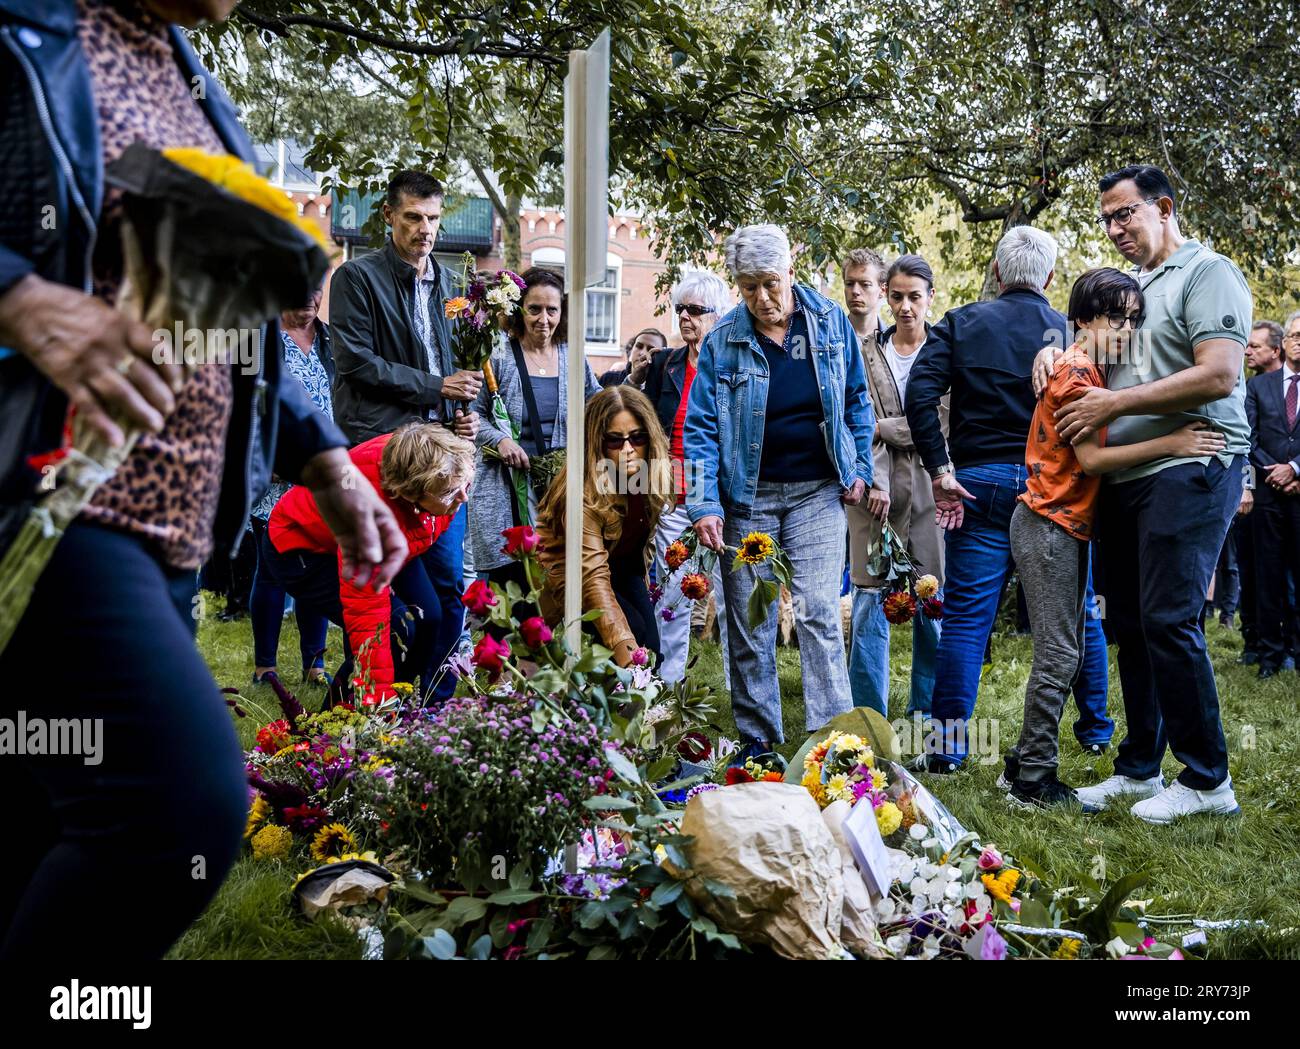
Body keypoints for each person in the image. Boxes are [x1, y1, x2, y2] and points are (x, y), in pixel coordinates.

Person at [0, 0, 406, 960]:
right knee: (177, 808)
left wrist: (327, 464)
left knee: (41, 823)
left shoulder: (193, 81)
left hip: (175, 534)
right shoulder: (26, 33)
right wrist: (19, 299)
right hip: (57, 506)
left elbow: (243, 312)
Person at [1036, 165, 1251, 823]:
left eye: (1123, 213)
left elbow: (1219, 373)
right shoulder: (1135, 286)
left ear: (1162, 207)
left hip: (1194, 460)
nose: (1113, 228)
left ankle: (1208, 778)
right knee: (1130, 624)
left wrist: (1116, 399)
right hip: (1125, 478)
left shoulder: (1206, 272)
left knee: (1169, 617)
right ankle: (1138, 767)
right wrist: (1054, 351)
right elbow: (1100, 350)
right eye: (1105, 218)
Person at [1007, 268, 1225, 809]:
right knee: (1059, 655)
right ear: (1082, 319)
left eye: (1133, 319)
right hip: (1047, 524)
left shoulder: (1081, 365)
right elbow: (1095, 459)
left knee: (1070, 650)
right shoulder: (1078, 373)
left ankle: (1019, 765)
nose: (1126, 329)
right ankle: (1032, 779)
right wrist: (1173, 440)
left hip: (1064, 525)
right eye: (1114, 318)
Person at [905, 226, 1111, 773]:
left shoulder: (960, 322)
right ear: (1048, 278)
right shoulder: (1071, 332)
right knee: (1077, 610)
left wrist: (939, 467)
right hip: (1052, 485)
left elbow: (919, 392)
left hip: (977, 484)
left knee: (969, 618)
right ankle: (1095, 728)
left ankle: (947, 750)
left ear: (997, 273)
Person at [684, 224, 875, 756]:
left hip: (817, 492)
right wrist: (703, 503)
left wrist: (859, 467)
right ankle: (759, 741)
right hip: (749, 499)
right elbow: (699, 428)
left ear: (791, 271)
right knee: (751, 619)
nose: (763, 299)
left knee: (817, 609)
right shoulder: (723, 340)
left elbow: (858, 399)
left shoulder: (832, 323)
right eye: (749, 288)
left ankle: (832, 743)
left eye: (771, 283)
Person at [329, 169, 483, 702]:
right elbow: (354, 362)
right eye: (414, 217)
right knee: (382, 603)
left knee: (446, 596)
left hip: (442, 460)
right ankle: (358, 709)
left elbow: (459, 364)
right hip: (384, 458)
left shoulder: (452, 284)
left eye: (434, 219)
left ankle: (429, 709)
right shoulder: (356, 278)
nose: (425, 229)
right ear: (389, 216)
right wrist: (434, 386)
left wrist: (462, 409)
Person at [262, 423, 474, 704]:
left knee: (429, 615)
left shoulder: (426, 458)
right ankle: (336, 722)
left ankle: (406, 704)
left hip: (393, 534)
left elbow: (435, 509)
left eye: (465, 486)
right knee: (397, 627)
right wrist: (378, 697)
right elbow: (367, 621)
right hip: (302, 548)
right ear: (411, 494)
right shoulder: (366, 517)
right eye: (450, 493)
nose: (464, 498)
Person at [846, 253, 945, 718]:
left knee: (931, 597)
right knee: (869, 597)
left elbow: (943, 424)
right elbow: (859, 420)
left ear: (930, 298)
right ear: (886, 294)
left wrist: (888, 428)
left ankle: (924, 714)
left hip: (931, 485)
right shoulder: (866, 350)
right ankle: (868, 716)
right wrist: (880, 456)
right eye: (898, 296)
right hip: (875, 490)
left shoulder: (945, 351)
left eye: (915, 297)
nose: (906, 306)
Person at [469, 268, 599, 591]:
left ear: (562, 312)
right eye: (534, 309)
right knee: (508, 585)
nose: (544, 319)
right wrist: (500, 441)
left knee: (551, 581)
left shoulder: (572, 356)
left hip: (554, 492)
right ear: (519, 310)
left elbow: (598, 404)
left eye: (552, 310)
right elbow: (473, 414)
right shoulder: (498, 353)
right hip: (505, 492)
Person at [535, 386, 673, 666]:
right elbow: (592, 578)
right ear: (596, 442)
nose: (628, 449)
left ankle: (632, 702)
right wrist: (627, 654)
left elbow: (640, 548)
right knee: (629, 645)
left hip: (624, 571)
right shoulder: (581, 493)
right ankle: (612, 702)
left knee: (652, 651)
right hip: (575, 578)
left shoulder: (651, 475)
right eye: (614, 440)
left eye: (637, 437)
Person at [641, 271, 733, 683]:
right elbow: (645, 423)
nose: (685, 317)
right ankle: (669, 680)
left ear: (718, 316)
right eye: (681, 309)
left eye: (695, 310)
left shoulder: (733, 363)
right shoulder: (666, 363)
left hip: (723, 492)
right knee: (675, 590)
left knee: (735, 595)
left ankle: (742, 682)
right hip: (673, 494)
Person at [249, 287, 335, 687]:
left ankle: (314, 664)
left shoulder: (331, 340)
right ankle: (265, 666)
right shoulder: (260, 341)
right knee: (270, 571)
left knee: (317, 568)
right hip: (275, 478)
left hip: (320, 478)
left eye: (314, 286)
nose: (306, 295)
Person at [1245, 308, 1300, 678]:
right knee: (1267, 576)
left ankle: (1297, 650)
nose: (1299, 342)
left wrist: (1295, 469)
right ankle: (1269, 655)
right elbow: (1248, 436)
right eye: (1295, 335)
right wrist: (1275, 471)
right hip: (1267, 494)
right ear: (1285, 343)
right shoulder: (1258, 386)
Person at [600, 328, 668, 388]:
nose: (642, 353)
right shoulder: (609, 379)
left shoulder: (664, 387)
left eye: (650, 349)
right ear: (631, 349)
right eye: (639, 346)